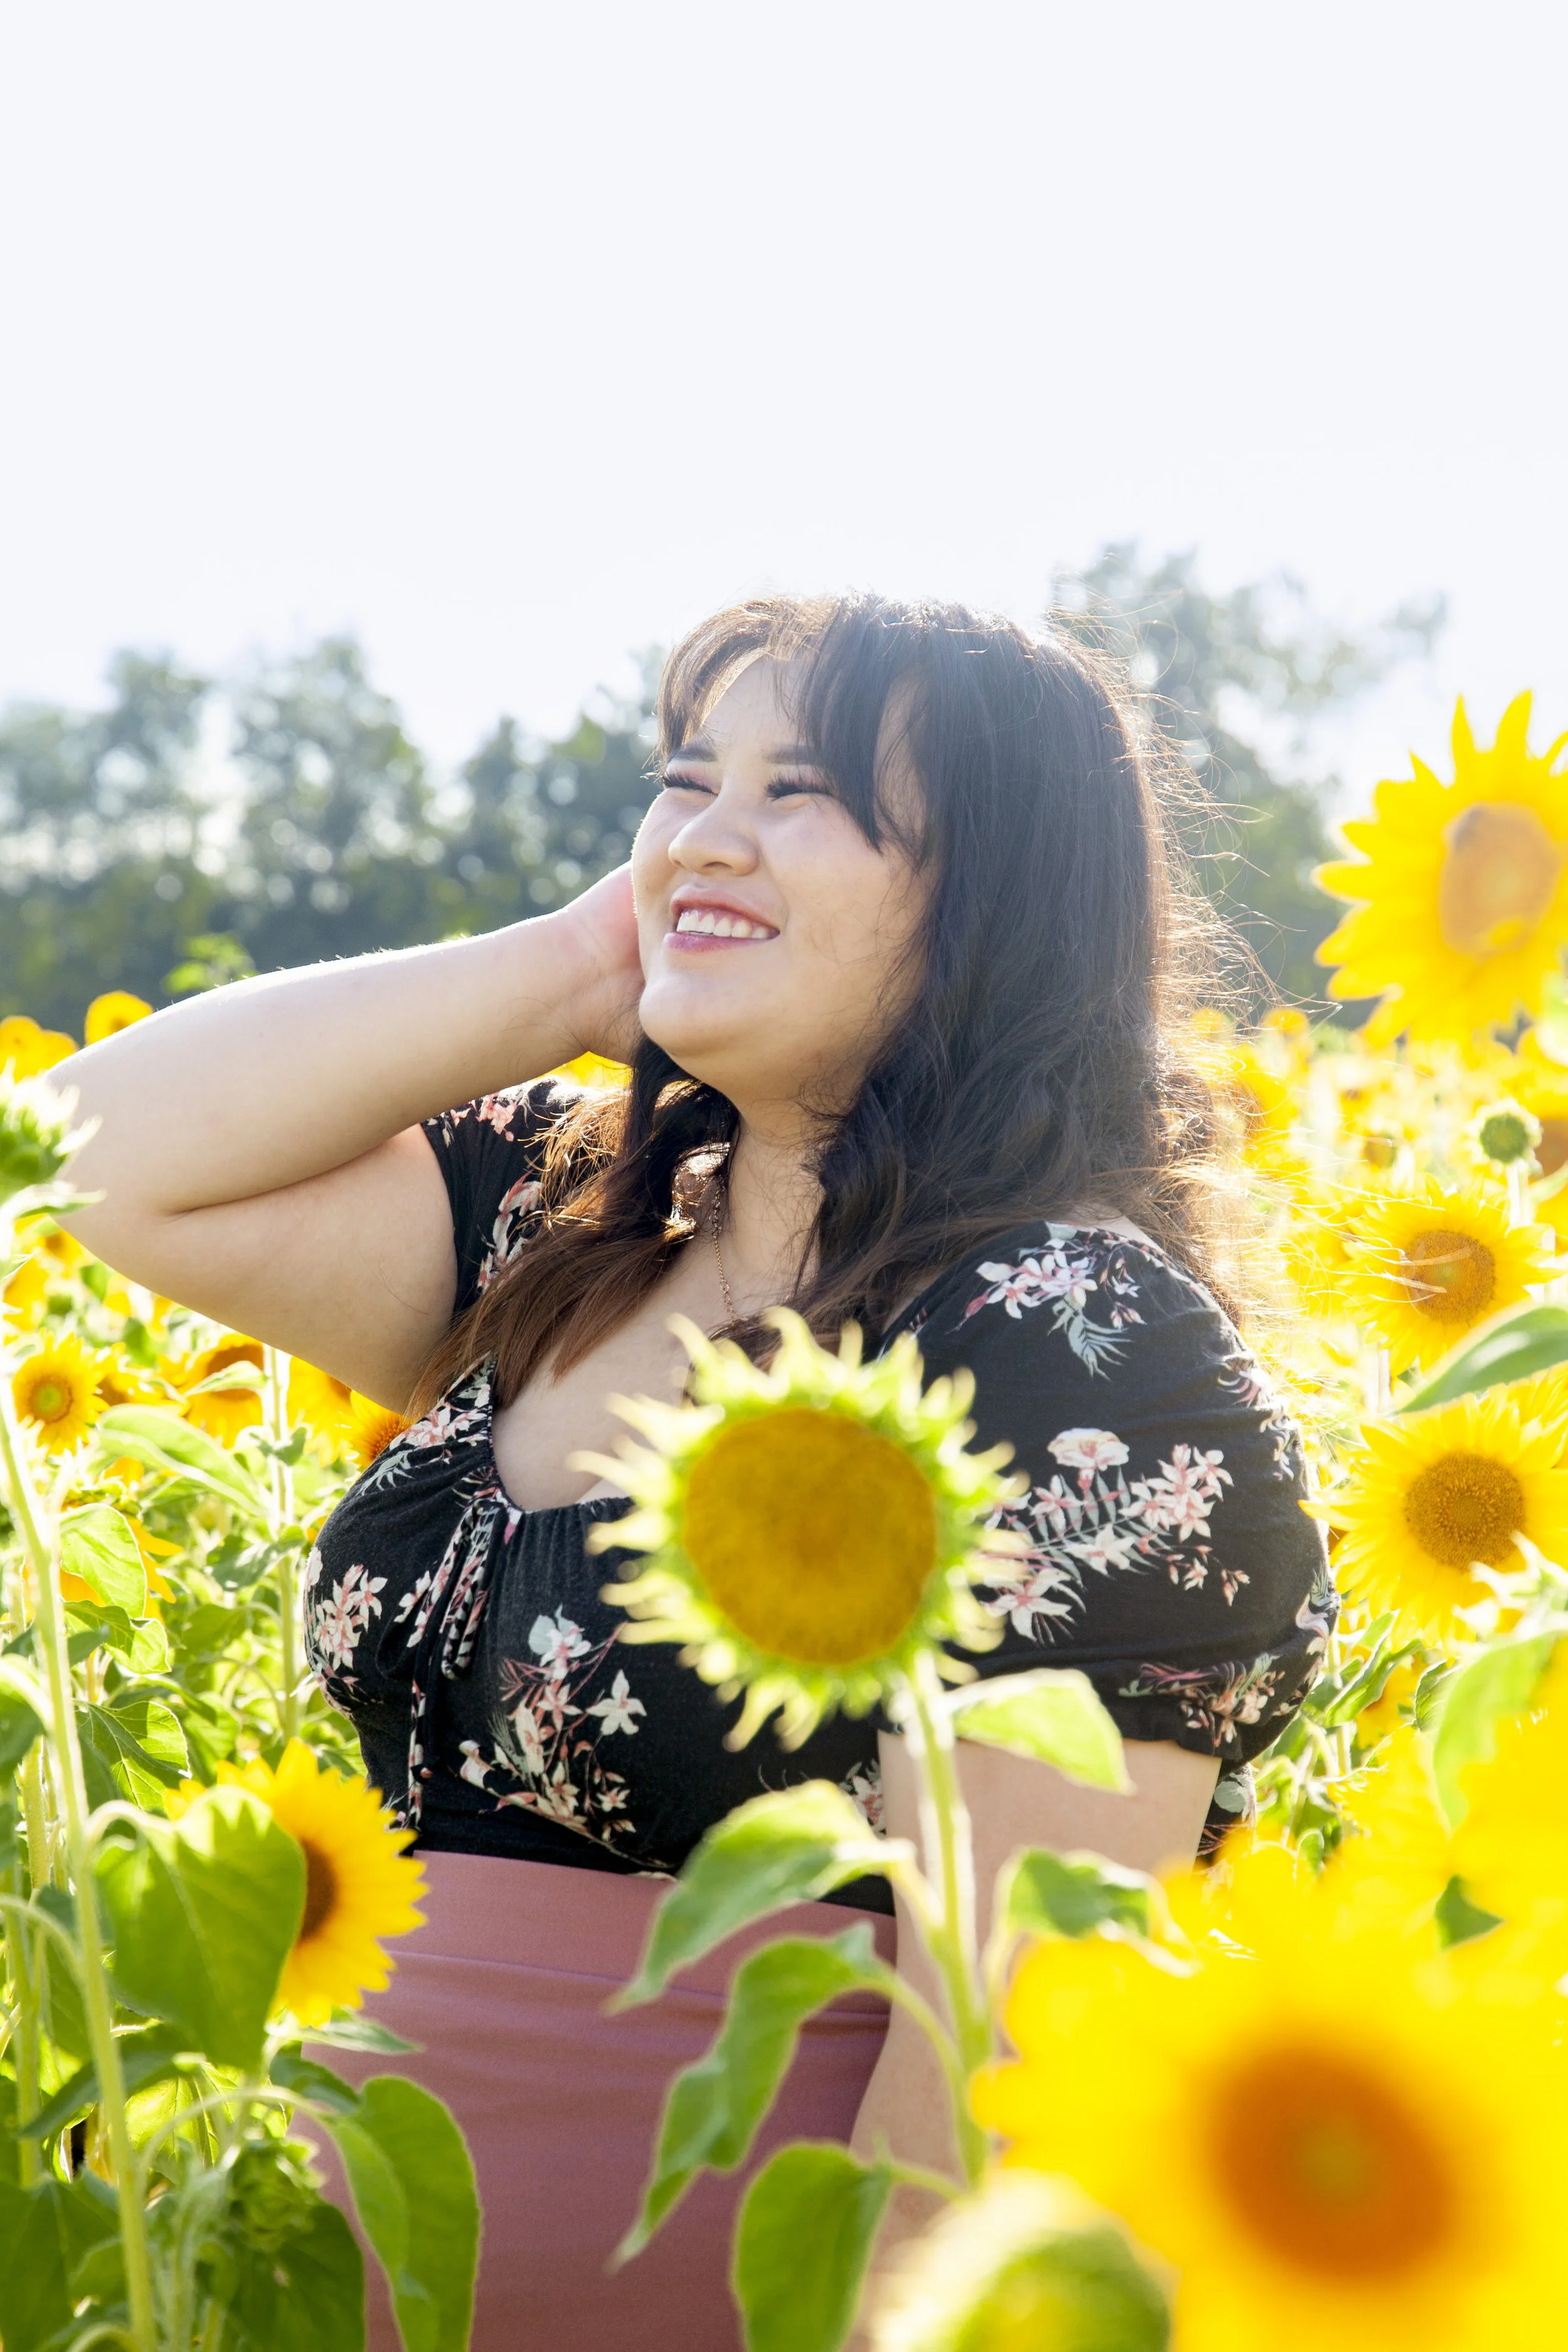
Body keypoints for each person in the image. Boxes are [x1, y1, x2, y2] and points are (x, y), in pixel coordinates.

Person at [63, 593, 1333, 2350]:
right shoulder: (562, 1223)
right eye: (681, 778)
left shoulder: (1070, 1344)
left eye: (798, 790)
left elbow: (994, 2073)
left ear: (990, 889)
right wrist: (596, 960)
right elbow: (95, 1164)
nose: (704, 832)